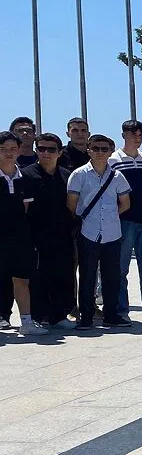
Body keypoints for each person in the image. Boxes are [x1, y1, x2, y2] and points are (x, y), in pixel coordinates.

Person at [67, 133, 133, 330]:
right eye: (96, 148)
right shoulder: (79, 174)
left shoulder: (118, 176)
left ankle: (111, 315)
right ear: (89, 150)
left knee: (112, 276)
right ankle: (86, 316)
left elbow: (125, 204)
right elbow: (71, 204)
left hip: (112, 233)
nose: (100, 152)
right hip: (87, 231)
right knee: (87, 276)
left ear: (111, 152)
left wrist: (110, 216)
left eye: (104, 149)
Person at [109, 119, 142, 323]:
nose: (137, 138)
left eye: (140, 135)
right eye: (133, 134)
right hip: (124, 220)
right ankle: (121, 309)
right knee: (120, 267)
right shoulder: (113, 160)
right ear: (124, 135)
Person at [22, 133, 77, 329]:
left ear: (60, 152)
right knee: (38, 277)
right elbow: (24, 209)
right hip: (36, 236)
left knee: (63, 275)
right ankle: (40, 317)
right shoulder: (26, 175)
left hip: (63, 235)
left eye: (51, 149)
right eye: (41, 149)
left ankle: (60, 315)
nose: (46, 153)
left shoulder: (67, 176)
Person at [0, 131, 45, 336]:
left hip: (20, 238)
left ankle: (26, 322)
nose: (8, 153)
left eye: (12, 148)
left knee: (21, 280)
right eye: (3, 149)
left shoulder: (26, 178)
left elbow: (25, 210)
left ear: (19, 150)